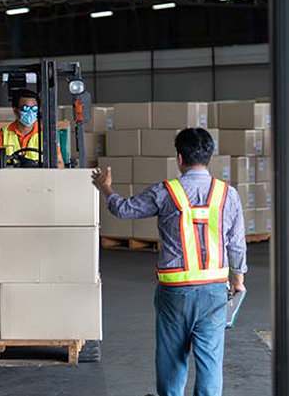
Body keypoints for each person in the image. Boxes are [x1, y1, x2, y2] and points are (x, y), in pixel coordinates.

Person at [91, 128, 246, 396]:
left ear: (179, 158)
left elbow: (124, 209)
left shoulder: (165, 192)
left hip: (175, 293)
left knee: (172, 358)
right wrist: (238, 280)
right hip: (214, 291)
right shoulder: (227, 194)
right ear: (210, 156)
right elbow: (236, 242)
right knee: (210, 361)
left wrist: (105, 187)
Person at [0, 89, 64, 168]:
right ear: (15, 111)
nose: (30, 112)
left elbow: (60, 164)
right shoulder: (2, 135)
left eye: (34, 109)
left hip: (40, 181)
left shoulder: (47, 135)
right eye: (26, 108)